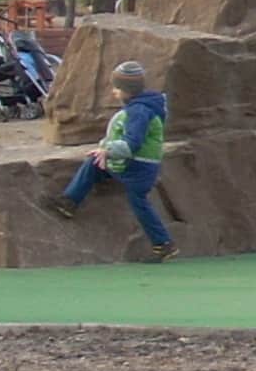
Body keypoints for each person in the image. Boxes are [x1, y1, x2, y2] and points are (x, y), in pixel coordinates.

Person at [42, 59, 177, 259]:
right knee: (94, 165)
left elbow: (133, 143)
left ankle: (163, 243)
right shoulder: (139, 107)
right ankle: (70, 201)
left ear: (127, 90)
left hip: (138, 167)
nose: (114, 92)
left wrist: (108, 150)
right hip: (130, 164)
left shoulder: (139, 111)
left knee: (138, 202)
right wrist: (104, 148)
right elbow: (117, 134)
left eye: (117, 88)